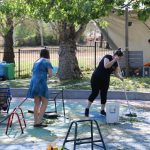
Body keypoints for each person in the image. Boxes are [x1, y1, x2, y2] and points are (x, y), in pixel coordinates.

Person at [85, 48, 124, 117]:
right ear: (115, 55)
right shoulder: (107, 57)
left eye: (120, 58)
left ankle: (102, 110)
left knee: (104, 94)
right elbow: (106, 66)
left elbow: (115, 73)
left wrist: (120, 77)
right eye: (119, 58)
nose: (119, 59)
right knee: (95, 93)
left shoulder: (116, 64)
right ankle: (87, 108)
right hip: (96, 77)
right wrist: (114, 59)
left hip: (105, 79)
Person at [27, 48, 53, 127]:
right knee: (45, 102)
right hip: (41, 82)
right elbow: (50, 74)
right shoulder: (47, 61)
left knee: (37, 103)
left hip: (33, 83)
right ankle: (39, 121)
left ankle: (35, 122)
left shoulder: (36, 62)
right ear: (47, 54)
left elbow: (34, 72)